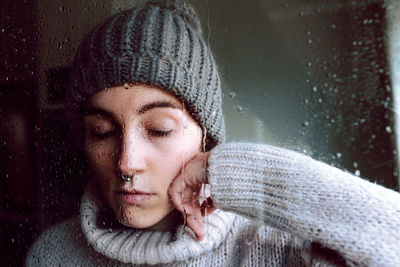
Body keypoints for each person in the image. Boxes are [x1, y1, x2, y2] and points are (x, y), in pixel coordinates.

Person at [26, 0, 400, 266]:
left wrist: (244, 175)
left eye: (159, 129)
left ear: (206, 138)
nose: (127, 162)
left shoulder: (276, 249)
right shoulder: (53, 254)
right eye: (101, 131)